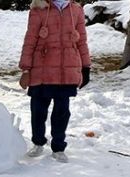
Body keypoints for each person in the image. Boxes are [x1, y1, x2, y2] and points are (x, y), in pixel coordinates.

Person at [19, 0, 91, 163]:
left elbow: (81, 41)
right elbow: (30, 40)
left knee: (62, 111)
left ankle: (58, 147)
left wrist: (86, 66)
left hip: (66, 71)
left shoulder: (76, 10)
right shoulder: (38, 9)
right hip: (41, 70)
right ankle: (38, 142)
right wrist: (25, 69)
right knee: (38, 110)